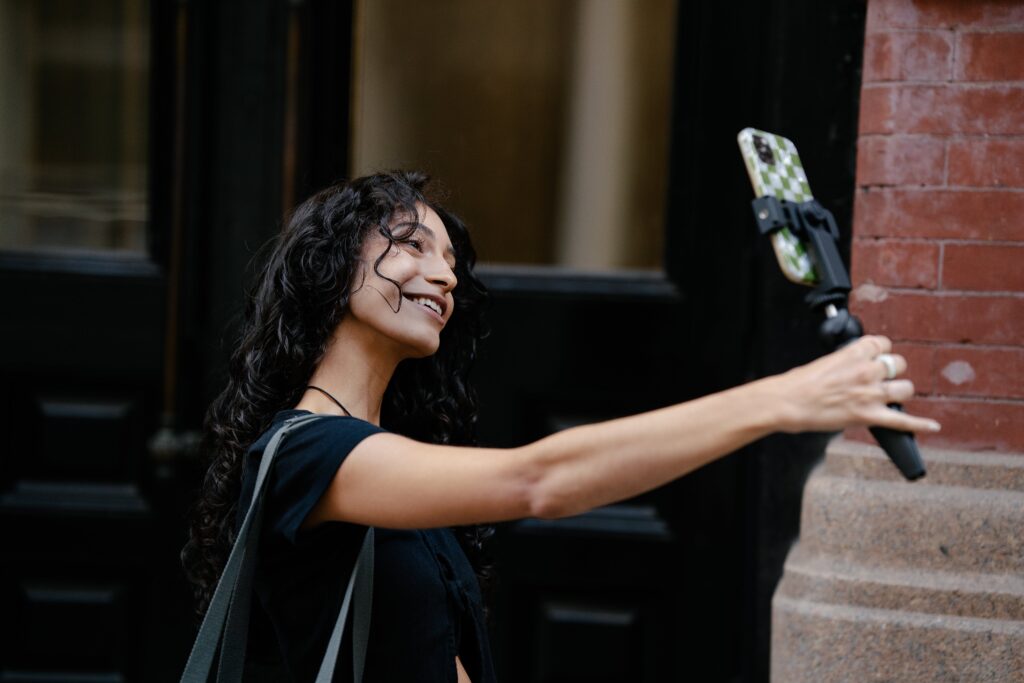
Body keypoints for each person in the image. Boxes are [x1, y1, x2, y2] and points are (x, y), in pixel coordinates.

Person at [181, 170, 940, 683]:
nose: (444, 275)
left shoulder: (397, 472)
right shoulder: (305, 452)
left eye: (450, 260)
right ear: (331, 264)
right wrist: (785, 400)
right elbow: (538, 480)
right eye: (411, 245)